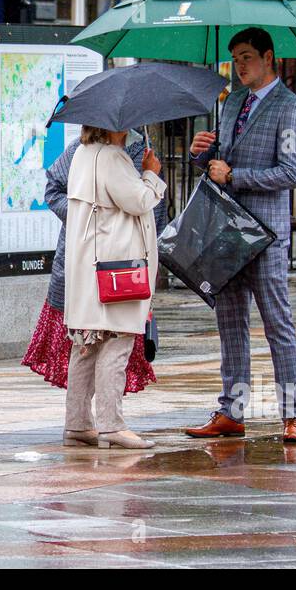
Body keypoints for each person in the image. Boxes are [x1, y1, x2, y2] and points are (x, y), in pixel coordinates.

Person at [183, 27, 296, 443]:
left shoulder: (290, 107)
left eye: (247, 57)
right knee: (230, 322)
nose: (239, 65)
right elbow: (222, 162)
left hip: (266, 234)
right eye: (235, 58)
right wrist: (204, 154)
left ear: (268, 57)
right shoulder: (233, 101)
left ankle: (292, 414)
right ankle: (231, 411)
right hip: (227, 230)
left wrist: (236, 175)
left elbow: (290, 173)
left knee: (277, 322)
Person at [23, 131, 165, 395]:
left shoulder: (142, 150)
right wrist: (85, 215)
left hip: (128, 261)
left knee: (97, 343)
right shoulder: (89, 150)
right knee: (105, 341)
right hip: (97, 261)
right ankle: (105, 423)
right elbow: (140, 200)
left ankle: (84, 422)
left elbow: (154, 212)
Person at [61, 124, 166, 449]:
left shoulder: (82, 154)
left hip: (89, 268)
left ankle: (77, 423)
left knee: (88, 345)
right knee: (117, 341)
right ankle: (111, 425)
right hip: (118, 268)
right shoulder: (112, 158)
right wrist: (150, 174)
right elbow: (139, 201)